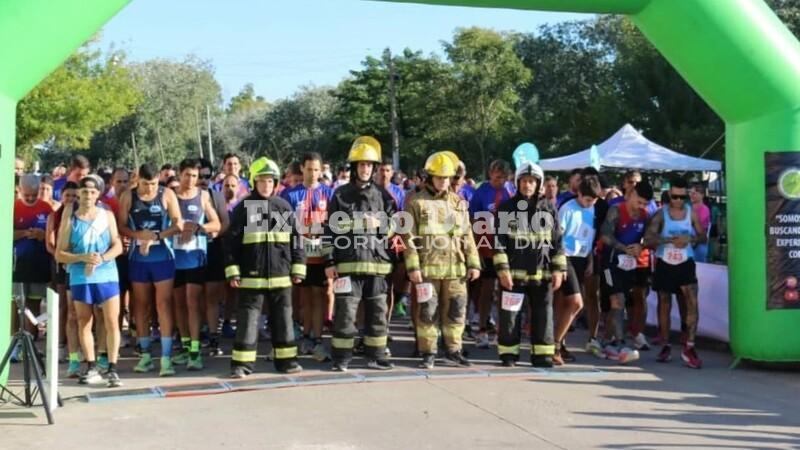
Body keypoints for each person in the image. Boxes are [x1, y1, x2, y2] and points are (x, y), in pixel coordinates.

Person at [324, 137, 397, 372]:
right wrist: (329, 261)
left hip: (377, 266)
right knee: (345, 314)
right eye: (361, 165)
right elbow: (329, 229)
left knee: (377, 314)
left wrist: (379, 224)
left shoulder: (384, 196)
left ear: (374, 168)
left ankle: (376, 355)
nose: (365, 169)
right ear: (354, 167)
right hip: (348, 264)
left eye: (369, 165)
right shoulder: (340, 195)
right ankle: (341, 358)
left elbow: (395, 226)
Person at [404, 151, 481, 369]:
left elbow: (468, 235)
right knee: (428, 312)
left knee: (456, 312)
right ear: (430, 177)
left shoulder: (459, 203)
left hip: (455, 270)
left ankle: (453, 351)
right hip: (427, 270)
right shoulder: (416, 202)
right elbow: (408, 237)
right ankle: (428, 352)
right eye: (439, 177)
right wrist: (413, 268)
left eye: (447, 178)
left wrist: (473, 264)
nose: (443, 182)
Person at [493, 162, 567, 367]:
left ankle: (542, 355)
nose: (527, 185)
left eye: (532, 182)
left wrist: (559, 270)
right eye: (524, 181)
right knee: (510, 316)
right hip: (514, 274)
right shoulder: (506, 209)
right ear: (518, 183)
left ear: (538, 183)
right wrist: (502, 270)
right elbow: (499, 242)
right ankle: (509, 354)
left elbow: (557, 242)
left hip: (541, 275)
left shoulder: (549, 209)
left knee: (543, 315)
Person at [55, 175, 124, 387]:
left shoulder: (107, 214)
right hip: (80, 275)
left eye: (93, 192)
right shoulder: (70, 216)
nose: (88, 196)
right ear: (79, 194)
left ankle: (112, 368)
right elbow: (60, 253)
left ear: (98, 195)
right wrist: (82, 258)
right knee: (84, 321)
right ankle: (91, 365)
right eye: (84, 192)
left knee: (112, 320)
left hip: (107, 273)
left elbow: (118, 245)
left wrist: (101, 258)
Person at [117, 164, 183, 376]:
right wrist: (139, 236)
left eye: (154, 184)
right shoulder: (129, 196)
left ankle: (166, 357)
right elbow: (121, 226)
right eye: (145, 184)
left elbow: (178, 224)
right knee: (141, 306)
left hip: (162, 256)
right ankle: (145, 354)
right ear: (139, 181)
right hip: (138, 258)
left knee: (163, 304)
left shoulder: (167, 194)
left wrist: (156, 236)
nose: (149, 189)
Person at [645, 177, 707, 369]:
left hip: (685, 263)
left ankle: (689, 346)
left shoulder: (692, 213)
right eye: (675, 196)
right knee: (664, 303)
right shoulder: (661, 214)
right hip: (665, 262)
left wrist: (689, 239)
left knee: (691, 303)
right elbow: (648, 238)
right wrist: (669, 241)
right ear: (669, 195)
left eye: (682, 197)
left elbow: (703, 237)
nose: (679, 200)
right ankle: (665, 345)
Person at [281, 152, 334, 362]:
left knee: (319, 294)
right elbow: (282, 225)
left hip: (322, 255)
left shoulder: (329, 194)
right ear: (301, 169)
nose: (312, 173)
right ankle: (305, 335)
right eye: (309, 169)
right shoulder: (290, 195)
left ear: (321, 171)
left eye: (316, 170)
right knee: (303, 298)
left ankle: (318, 338)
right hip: (299, 254)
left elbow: (335, 225)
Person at [171, 158, 221, 370]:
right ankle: (184, 345)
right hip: (173, 257)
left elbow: (216, 223)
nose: (191, 180)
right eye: (187, 175)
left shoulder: (203, 196)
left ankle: (195, 349)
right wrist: (178, 228)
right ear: (179, 174)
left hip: (196, 256)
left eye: (195, 176)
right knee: (179, 302)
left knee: (193, 301)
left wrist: (197, 228)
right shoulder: (170, 195)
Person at [599, 180, 654, 364]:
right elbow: (605, 235)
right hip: (610, 262)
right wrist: (623, 247)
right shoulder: (616, 210)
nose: (640, 207)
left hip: (629, 265)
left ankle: (607, 340)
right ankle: (621, 343)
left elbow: (649, 239)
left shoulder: (644, 216)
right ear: (631, 194)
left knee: (620, 303)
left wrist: (642, 245)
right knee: (617, 300)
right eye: (639, 202)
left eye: (645, 204)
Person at [553, 177, 601, 365]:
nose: (590, 203)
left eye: (594, 200)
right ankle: (555, 344)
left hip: (582, 259)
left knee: (567, 304)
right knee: (576, 303)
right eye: (587, 199)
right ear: (579, 194)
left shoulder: (592, 208)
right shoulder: (568, 208)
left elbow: (589, 236)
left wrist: (589, 259)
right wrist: (559, 264)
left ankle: (560, 343)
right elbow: (557, 238)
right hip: (566, 257)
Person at [469, 159, 514, 349]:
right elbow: (472, 219)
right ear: (490, 175)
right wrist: (475, 248)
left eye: (503, 178)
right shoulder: (481, 192)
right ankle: (481, 328)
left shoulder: (511, 191)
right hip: (486, 246)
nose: (500, 181)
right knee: (486, 289)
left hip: (506, 248)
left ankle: (504, 330)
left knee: (505, 289)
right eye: (497, 178)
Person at [11, 174, 54, 361]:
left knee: (34, 304)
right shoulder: (13, 206)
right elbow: (6, 233)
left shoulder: (46, 207)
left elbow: (52, 234)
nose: (30, 198)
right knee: (15, 304)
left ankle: (30, 342)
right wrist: (24, 233)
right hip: (17, 263)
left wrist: (42, 234)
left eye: (34, 195)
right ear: (19, 191)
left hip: (39, 263)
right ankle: (14, 342)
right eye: (26, 195)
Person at [46, 181, 81, 376]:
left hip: (78, 266)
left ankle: (77, 346)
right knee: (63, 306)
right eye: (68, 196)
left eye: (75, 196)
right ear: (62, 196)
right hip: (60, 265)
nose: (71, 200)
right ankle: (60, 344)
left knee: (78, 307)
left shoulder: (82, 215)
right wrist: (61, 257)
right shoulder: (55, 215)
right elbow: (49, 244)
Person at [199, 158, 231, 356]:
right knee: (191, 298)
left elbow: (225, 222)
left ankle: (212, 337)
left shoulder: (216, 196)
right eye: (199, 176)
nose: (203, 180)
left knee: (212, 296)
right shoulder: (177, 196)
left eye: (207, 176)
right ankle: (190, 337)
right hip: (187, 252)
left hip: (213, 249)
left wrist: (216, 232)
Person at [690, 183, 711, 263]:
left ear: (702, 195)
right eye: (690, 193)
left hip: (699, 244)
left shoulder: (704, 209)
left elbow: (696, 225)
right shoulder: (689, 208)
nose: (691, 195)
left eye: (694, 193)